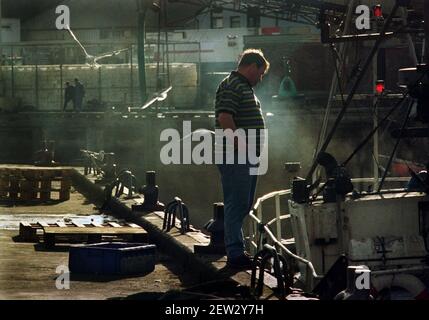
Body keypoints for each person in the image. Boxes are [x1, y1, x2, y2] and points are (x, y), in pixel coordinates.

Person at [214, 49, 269, 269]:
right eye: (261, 73)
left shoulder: (242, 86)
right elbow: (225, 117)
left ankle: (237, 250)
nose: (261, 78)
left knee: (242, 203)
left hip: (245, 155)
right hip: (236, 155)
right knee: (236, 203)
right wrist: (243, 146)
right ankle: (235, 253)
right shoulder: (232, 85)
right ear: (252, 66)